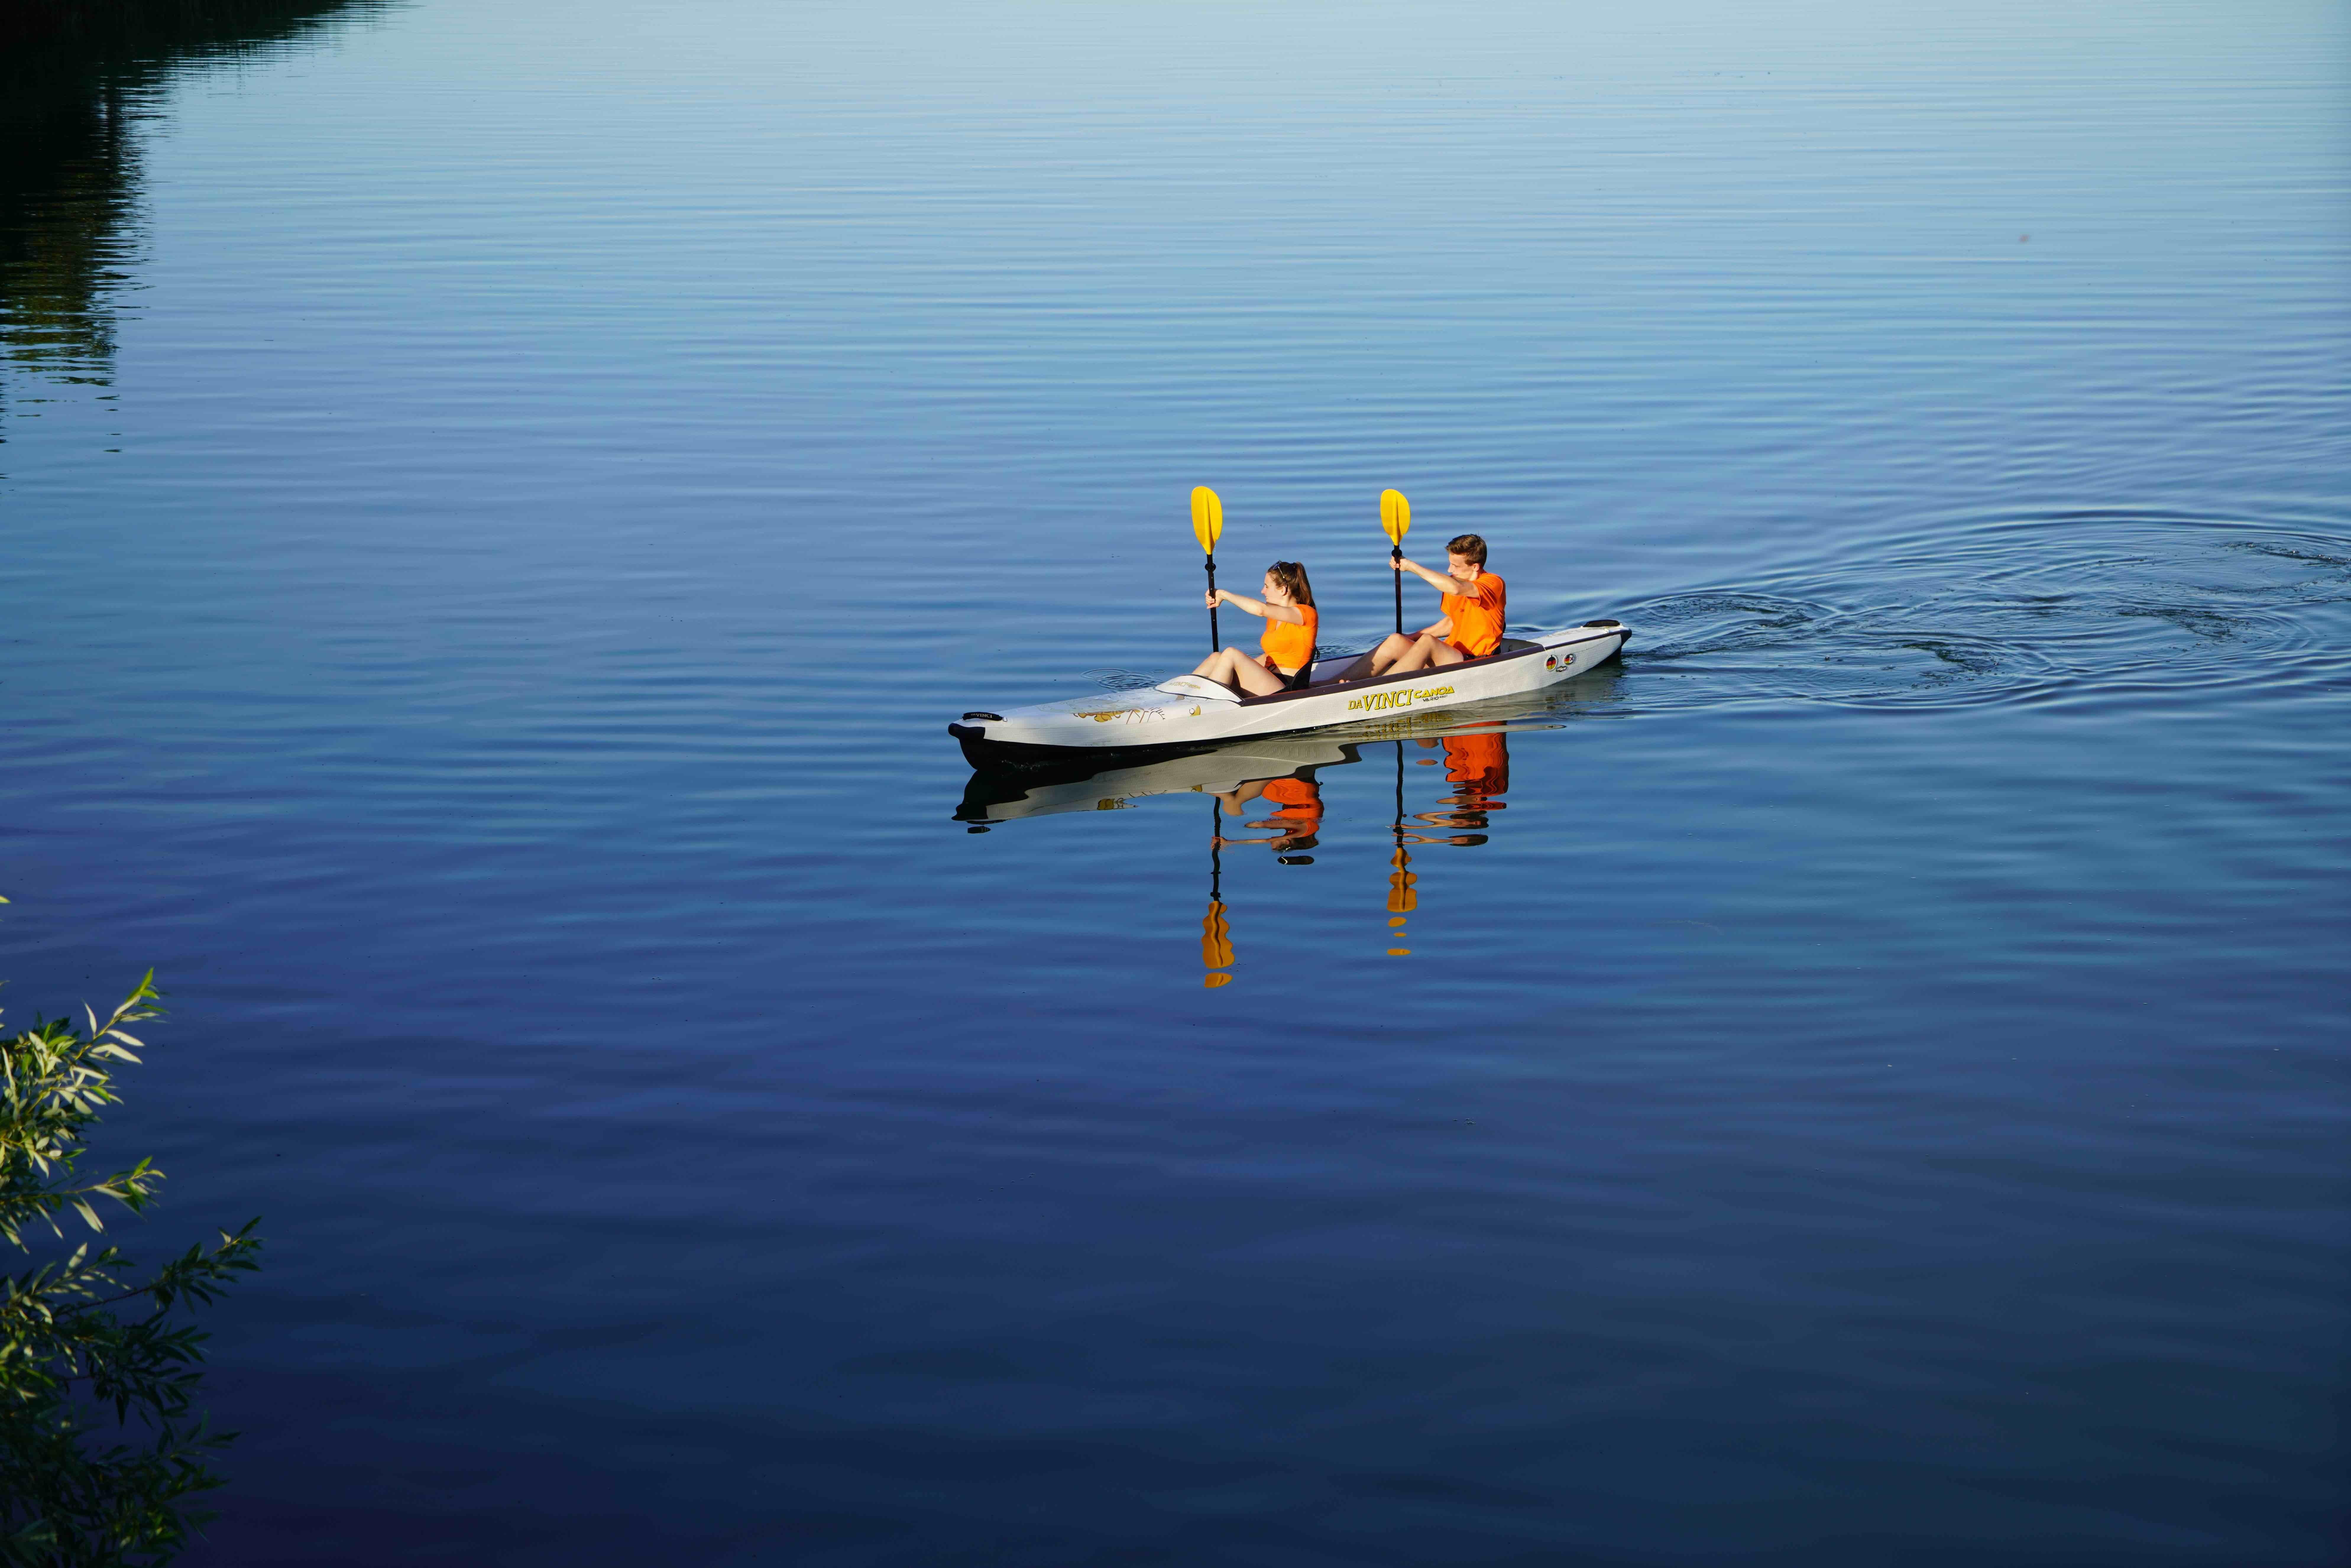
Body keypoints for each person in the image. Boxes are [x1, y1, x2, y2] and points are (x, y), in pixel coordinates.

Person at [1343, 534, 1506, 679]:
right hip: (1452, 655)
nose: (1450, 570)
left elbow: (1456, 588)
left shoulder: (1493, 583)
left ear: (1475, 567)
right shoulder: (1452, 583)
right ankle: (1330, 684)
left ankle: (1375, 688)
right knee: (1396, 640)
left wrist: (1412, 567)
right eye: (1450, 564)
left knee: (1428, 642)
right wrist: (1412, 637)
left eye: (1456, 566)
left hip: (1479, 660)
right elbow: (1451, 623)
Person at [1193, 561, 1320, 696]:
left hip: (1287, 688)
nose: (1262, 591)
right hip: (1268, 679)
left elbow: (1260, 610)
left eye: (1267, 586)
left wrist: (1223, 595)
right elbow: (1271, 656)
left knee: (1231, 654)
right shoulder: (1274, 618)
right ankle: (1179, 696)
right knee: (1217, 657)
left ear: (1283, 590)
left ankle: (1205, 703)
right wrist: (1240, 665)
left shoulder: (1307, 614)